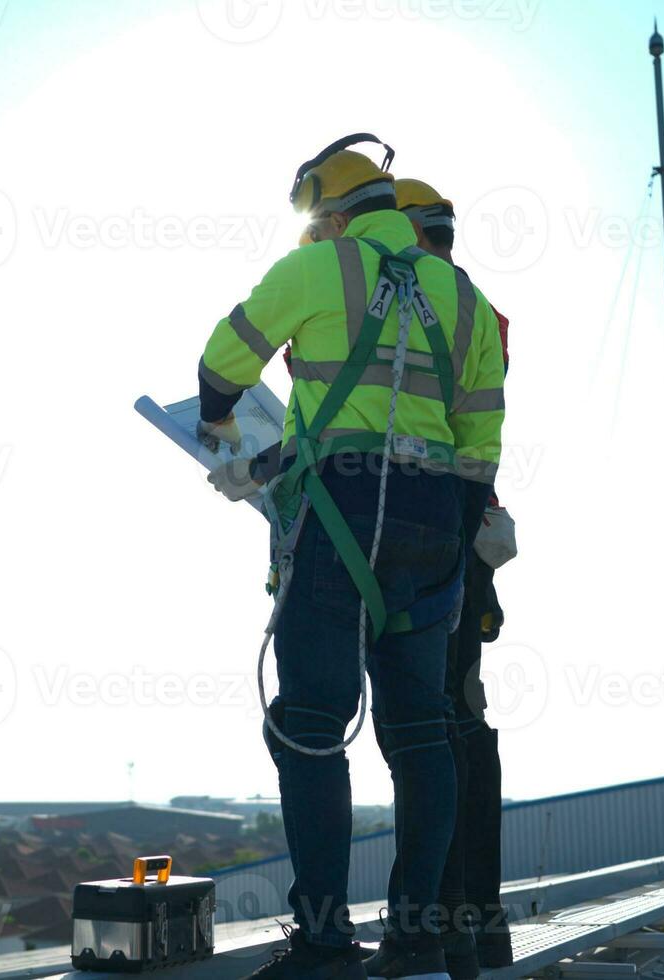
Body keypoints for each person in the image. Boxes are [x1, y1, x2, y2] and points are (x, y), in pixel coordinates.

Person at [195, 135, 505, 980]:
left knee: (309, 726)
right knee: (420, 735)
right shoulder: (468, 299)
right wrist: (454, 540)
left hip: (339, 516)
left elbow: (219, 372)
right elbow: (481, 444)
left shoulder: (317, 270)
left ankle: (327, 942)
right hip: (436, 522)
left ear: (332, 216)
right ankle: (417, 936)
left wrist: (226, 432)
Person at [362, 178, 512, 980]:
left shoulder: (421, 303)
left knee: (432, 730)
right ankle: (471, 924)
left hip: (430, 537)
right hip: (461, 531)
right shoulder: (472, 308)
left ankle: (440, 927)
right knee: (458, 723)